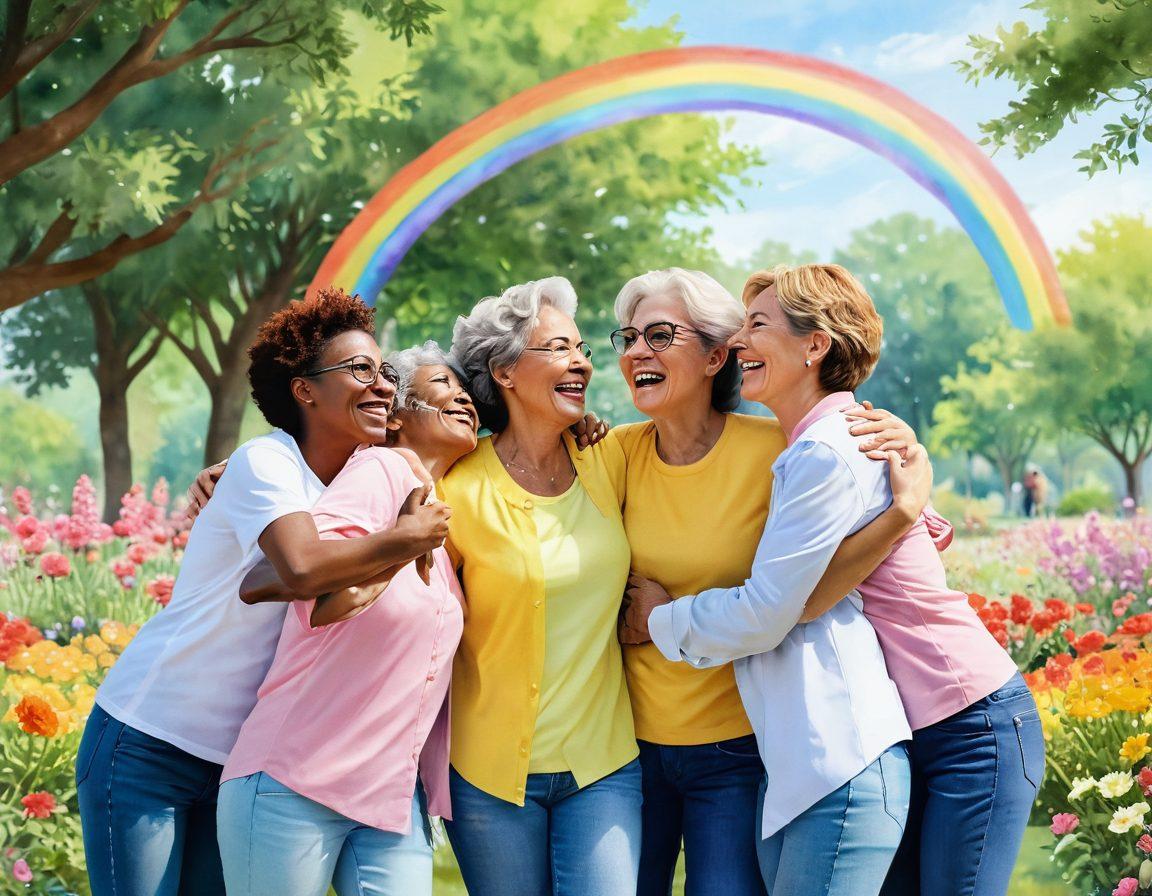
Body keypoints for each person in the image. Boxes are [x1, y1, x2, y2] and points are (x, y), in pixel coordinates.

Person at [631, 263, 1043, 896]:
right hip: (904, 726)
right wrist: (908, 507)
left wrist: (660, 619)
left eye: (758, 326)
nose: (740, 343)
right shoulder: (824, 442)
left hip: (968, 721)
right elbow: (855, 569)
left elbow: (775, 609)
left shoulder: (828, 449)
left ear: (814, 345)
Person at [76, 289, 450, 896]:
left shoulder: (364, 479)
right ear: (305, 391)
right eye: (360, 370)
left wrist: (583, 430)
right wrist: (405, 538)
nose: (382, 384)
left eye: (384, 371)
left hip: (239, 761)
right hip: (149, 743)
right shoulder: (265, 464)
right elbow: (301, 568)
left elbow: (452, 423)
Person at [608, 268, 930, 896]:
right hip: (632, 748)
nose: (636, 351)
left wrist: (909, 464)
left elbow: (873, 508)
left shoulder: (780, 448)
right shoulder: (612, 453)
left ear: (714, 354)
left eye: (660, 334)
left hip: (742, 751)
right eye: (628, 337)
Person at [214, 341, 479, 896]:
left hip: (389, 799)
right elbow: (302, 586)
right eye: (442, 387)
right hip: (294, 780)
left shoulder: (438, 512)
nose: (462, 397)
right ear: (397, 415)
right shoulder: (379, 470)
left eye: (466, 391)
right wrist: (398, 547)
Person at [439, 277, 643, 896]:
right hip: (489, 773)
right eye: (558, 348)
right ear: (503, 369)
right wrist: (231, 473)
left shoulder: (611, 458)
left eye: (582, 347)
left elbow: (703, 453)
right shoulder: (455, 486)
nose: (582, 361)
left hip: (602, 763)